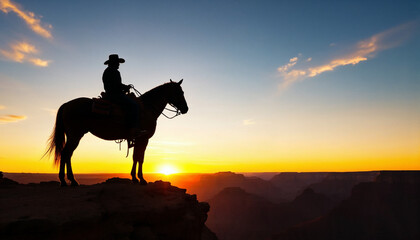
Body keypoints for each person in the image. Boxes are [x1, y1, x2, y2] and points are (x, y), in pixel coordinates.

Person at [102, 54, 146, 138]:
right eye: (117, 63)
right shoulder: (114, 71)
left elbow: (115, 84)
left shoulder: (108, 71)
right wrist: (125, 88)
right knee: (134, 106)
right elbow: (116, 85)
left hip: (111, 93)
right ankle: (133, 130)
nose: (118, 64)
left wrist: (124, 87)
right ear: (114, 63)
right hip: (115, 94)